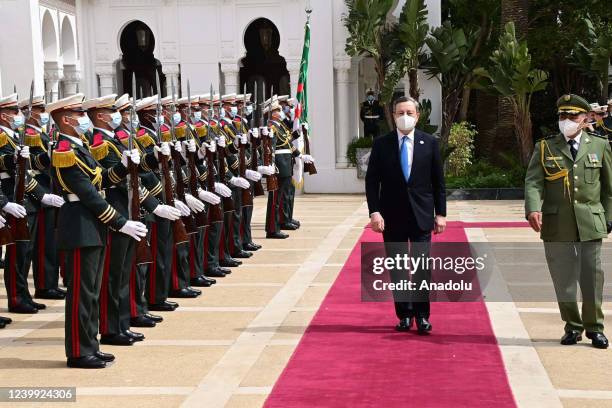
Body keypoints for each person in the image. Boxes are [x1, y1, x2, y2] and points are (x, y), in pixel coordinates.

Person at [47, 93, 148, 368]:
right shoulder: (64, 151)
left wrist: (124, 166)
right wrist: (120, 222)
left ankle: (91, 344)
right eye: (79, 114)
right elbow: (89, 194)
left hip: (91, 226)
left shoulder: (80, 148)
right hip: (79, 225)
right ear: (66, 119)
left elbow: (102, 178)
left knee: (92, 291)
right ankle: (79, 352)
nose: (83, 118)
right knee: (81, 293)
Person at [525, 93, 611, 349]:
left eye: (573, 116)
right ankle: (572, 327)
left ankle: (595, 328)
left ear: (585, 118)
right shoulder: (546, 147)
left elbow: (608, 188)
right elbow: (533, 182)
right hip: (556, 222)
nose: (567, 121)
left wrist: (607, 217)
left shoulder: (599, 145)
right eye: (563, 116)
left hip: (590, 222)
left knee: (592, 277)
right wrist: (532, 209)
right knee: (563, 278)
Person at [365, 95, 446, 334]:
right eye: (400, 112)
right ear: (393, 115)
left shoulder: (429, 143)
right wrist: (374, 212)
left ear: (418, 116)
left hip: (421, 216)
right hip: (392, 216)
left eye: (410, 113)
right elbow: (372, 182)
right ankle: (404, 314)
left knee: (421, 267)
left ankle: (422, 316)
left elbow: (438, 182)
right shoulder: (382, 144)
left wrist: (440, 214)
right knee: (398, 267)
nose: (405, 117)